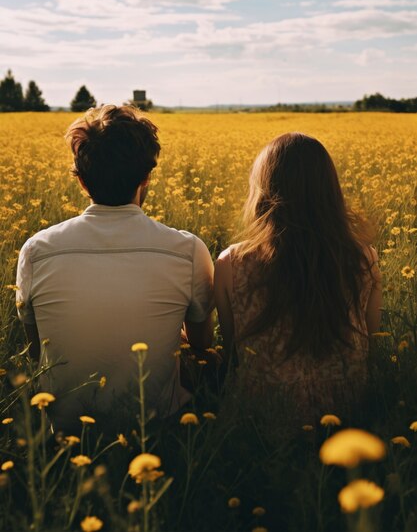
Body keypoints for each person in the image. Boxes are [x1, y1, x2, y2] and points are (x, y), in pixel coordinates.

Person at [16, 105, 214, 433]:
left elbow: (38, 350)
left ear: (81, 182)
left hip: (65, 430)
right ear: (147, 176)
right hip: (157, 425)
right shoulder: (188, 250)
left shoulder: (36, 251)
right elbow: (203, 345)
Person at [214, 132, 382, 422]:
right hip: (348, 418)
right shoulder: (363, 259)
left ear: (263, 193)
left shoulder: (231, 263)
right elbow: (371, 340)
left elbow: (233, 351)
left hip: (263, 421)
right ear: (330, 191)